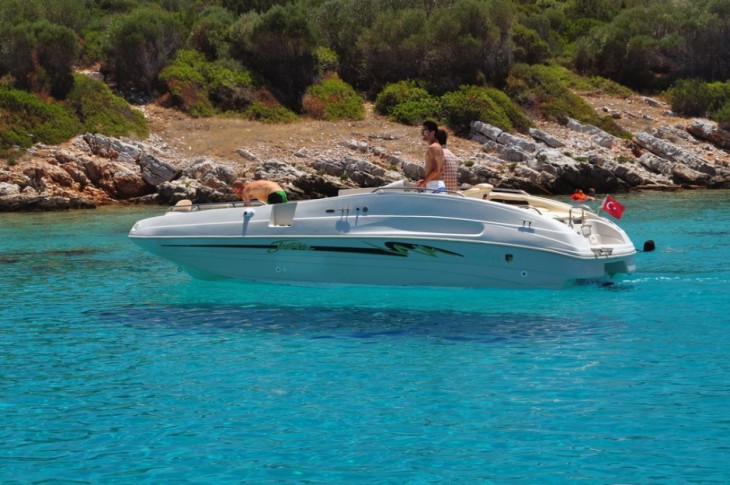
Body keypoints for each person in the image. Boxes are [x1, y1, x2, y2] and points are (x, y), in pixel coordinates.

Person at [416, 121, 445, 191]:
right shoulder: (438, 147)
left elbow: (436, 170)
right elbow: (440, 169)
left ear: (432, 133)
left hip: (434, 186)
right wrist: (425, 180)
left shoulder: (433, 148)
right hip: (436, 184)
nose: (422, 133)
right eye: (422, 130)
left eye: (425, 130)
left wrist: (423, 182)